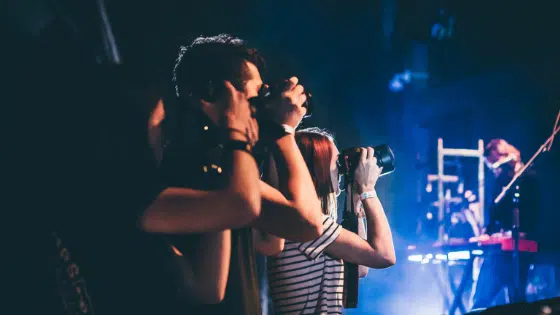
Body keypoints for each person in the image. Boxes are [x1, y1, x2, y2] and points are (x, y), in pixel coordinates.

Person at [145, 34, 323, 314]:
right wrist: (282, 132)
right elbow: (307, 223)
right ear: (218, 94)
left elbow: (273, 240)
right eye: (256, 96)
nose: (260, 108)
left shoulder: (222, 163)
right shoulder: (195, 166)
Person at [266, 127, 396, 314]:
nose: (341, 169)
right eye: (336, 162)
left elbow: (359, 268)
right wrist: (368, 190)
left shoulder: (302, 223)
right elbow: (385, 256)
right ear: (316, 167)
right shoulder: (310, 225)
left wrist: (356, 199)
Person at [470, 139, 540, 310]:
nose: (495, 170)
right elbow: (494, 209)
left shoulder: (528, 176)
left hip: (518, 246)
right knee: (482, 300)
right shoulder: (502, 180)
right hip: (499, 247)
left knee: (516, 299)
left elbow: (534, 209)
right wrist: (489, 232)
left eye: (495, 164)